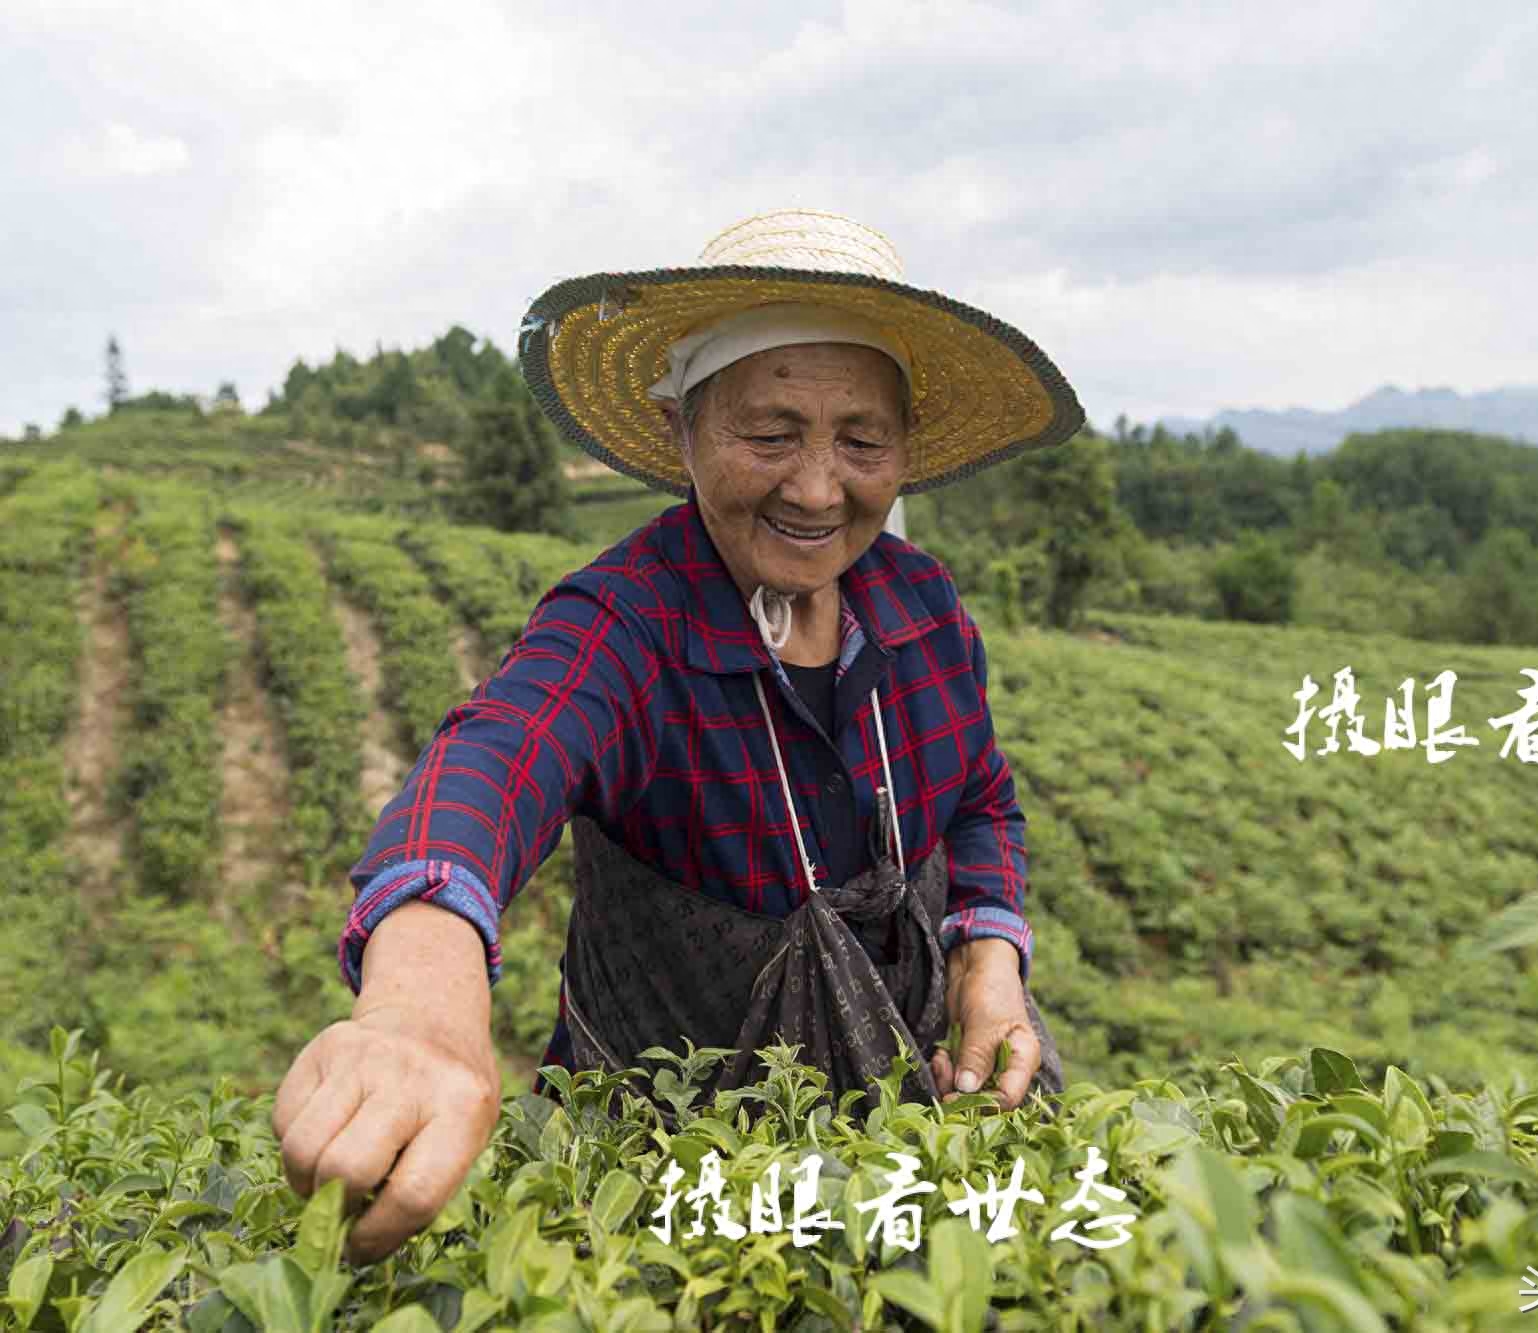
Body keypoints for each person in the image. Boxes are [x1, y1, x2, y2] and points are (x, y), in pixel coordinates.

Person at [271, 209, 1085, 1263]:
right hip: (671, 1173)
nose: (815, 487)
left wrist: (990, 960)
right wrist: (420, 1001)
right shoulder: (627, 619)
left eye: (860, 441)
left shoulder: (922, 607)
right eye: (770, 433)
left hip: (910, 1122)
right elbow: (495, 756)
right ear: (678, 429)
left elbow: (978, 799)